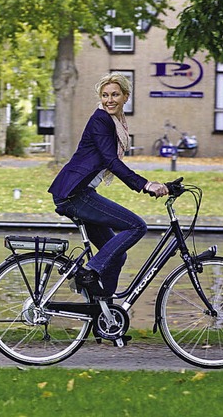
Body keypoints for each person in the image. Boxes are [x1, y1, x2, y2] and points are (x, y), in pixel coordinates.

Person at [48, 72, 168, 298]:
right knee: (136, 226)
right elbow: (110, 160)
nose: (109, 100)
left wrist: (162, 186)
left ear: (126, 96)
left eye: (115, 94)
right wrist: (145, 185)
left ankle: (104, 315)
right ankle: (90, 271)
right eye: (105, 95)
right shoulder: (101, 120)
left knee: (117, 255)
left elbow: (110, 160)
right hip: (75, 194)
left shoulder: (116, 122)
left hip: (79, 192)